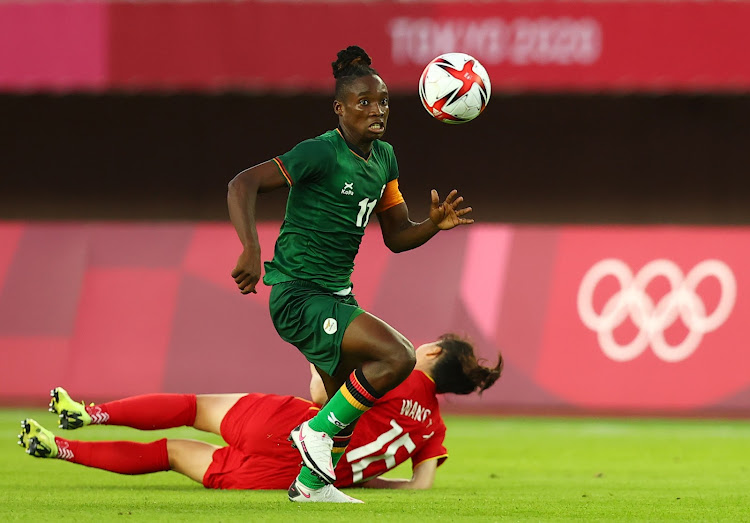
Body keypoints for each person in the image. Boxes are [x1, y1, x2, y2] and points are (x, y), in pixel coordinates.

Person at [227, 45, 474, 502]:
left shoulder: (384, 159)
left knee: (351, 400)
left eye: (382, 102)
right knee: (398, 357)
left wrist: (433, 225)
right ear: (339, 108)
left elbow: (397, 235)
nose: (376, 111)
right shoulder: (319, 153)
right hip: (299, 295)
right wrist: (250, 247)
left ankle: (311, 486)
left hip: (337, 296)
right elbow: (242, 183)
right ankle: (312, 434)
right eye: (364, 102)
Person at [18, 334, 502, 503]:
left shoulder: (399, 371)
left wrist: (317, 359)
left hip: (290, 427)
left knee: (193, 407)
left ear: (432, 350)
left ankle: (88, 414)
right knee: (168, 455)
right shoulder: (433, 428)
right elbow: (420, 489)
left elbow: (323, 393)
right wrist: (366, 483)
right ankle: (60, 449)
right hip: (292, 478)